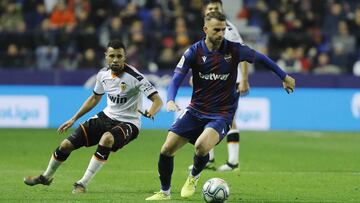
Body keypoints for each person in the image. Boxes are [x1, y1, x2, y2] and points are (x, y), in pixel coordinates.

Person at [145, 11, 295, 200]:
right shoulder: (193, 51)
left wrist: (285, 76)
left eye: (223, 29)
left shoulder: (234, 50)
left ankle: (193, 177)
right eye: (217, 30)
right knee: (166, 149)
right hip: (195, 110)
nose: (221, 33)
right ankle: (165, 192)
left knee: (201, 146)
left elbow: (262, 58)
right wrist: (171, 100)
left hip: (222, 114)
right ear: (205, 29)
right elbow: (176, 79)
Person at [24, 39, 163, 193]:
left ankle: (82, 183)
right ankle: (46, 177)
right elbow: (95, 98)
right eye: (112, 56)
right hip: (106, 116)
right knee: (65, 145)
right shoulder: (102, 74)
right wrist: (73, 119)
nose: (115, 59)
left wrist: (151, 112)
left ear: (125, 57)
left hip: (129, 122)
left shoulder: (136, 78)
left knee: (107, 139)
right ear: (106, 56)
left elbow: (157, 100)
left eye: (119, 56)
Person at [188, 0, 250, 172]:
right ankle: (209, 159)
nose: (214, 10)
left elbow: (244, 53)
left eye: (217, 8)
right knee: (208, 116)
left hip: (229, 80)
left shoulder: (227, 30)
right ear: (204, 11)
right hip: (215, 79)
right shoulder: (209, 28)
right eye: (211, 8)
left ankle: (232, 161)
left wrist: (244, 79)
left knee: (228, 119)